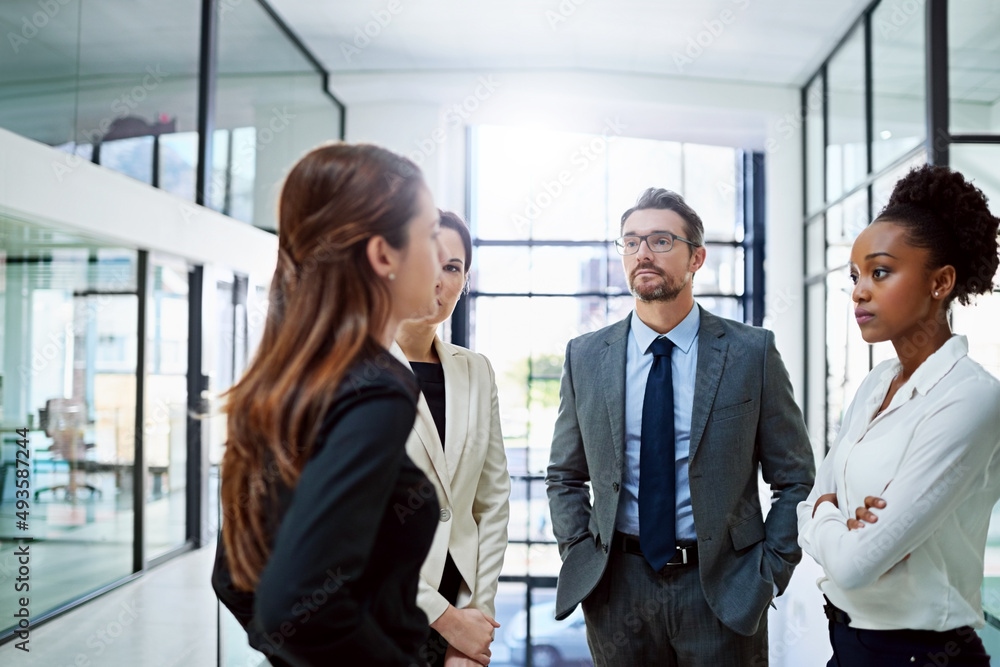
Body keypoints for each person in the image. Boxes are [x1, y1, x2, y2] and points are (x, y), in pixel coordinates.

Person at [546, 187, 815, 666]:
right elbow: (565, 475)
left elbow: (794, 477)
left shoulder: (751, 353)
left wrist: (768, 572)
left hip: (723, 590)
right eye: (630, 241)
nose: (643, 252)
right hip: (616, 590)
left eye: (661, 240)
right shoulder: (585, 356)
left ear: (697, 258)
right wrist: (578, 551)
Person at [210, 142, 447, 666]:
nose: (440, 256)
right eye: (430, 234)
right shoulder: (377, 390)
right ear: (384, 254)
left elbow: (236, 580)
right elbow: (296, 606)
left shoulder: (293, 380)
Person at [796, 164, 1000, 666]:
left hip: (923, 654)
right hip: (845, 644)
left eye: (880, 272)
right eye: (855, 276)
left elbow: (855, 564)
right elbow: (808, 504)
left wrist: (829, 512)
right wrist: (834, 515)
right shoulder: (875, 384)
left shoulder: (971, 397)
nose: (859, 291)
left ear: (941, 282)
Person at [392, 211, 511, 667]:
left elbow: (493, 501)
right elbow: (354, 528)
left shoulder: (475, 370)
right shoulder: (351, 372)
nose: (438, 280)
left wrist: (474, 624)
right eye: (427, 260)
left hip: (461, 612)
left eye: (453, 267)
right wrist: (445, 619)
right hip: (380, 610)